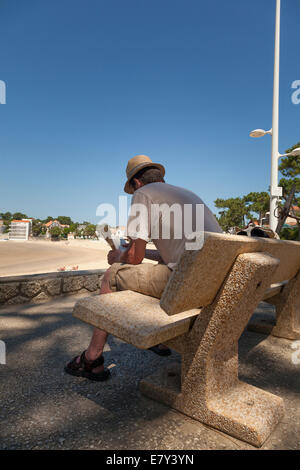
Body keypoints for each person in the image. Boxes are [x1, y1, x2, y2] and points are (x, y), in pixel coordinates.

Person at [65, 155, 222, 381]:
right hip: (213, 283)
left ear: (136, 183)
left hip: (189, 285)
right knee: (160, 264)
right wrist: (130, 253)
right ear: (159, 177)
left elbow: (135, 259)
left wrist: (119, 256)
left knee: (111, 276)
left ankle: (92, 359)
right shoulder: (189, 195)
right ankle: (159, 340)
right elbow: (173, 254)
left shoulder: (143, 194)